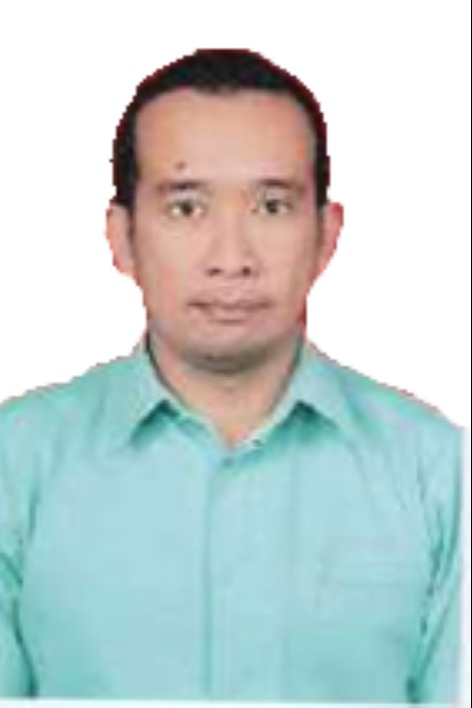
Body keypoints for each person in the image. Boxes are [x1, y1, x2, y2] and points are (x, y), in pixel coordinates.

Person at [0, 49, 462, 702]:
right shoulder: (15, 462)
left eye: (271, 206)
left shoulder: (439, 472)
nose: (231, 258)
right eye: (186, 208)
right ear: (122, 237)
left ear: (326, 235)